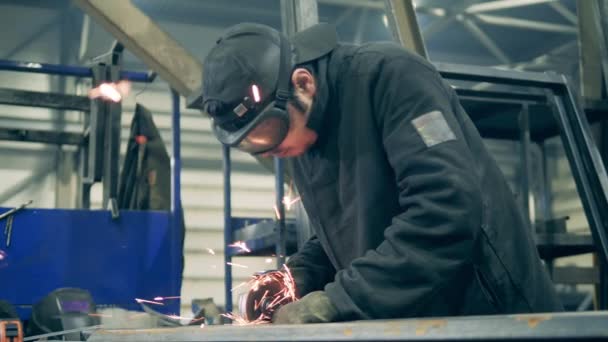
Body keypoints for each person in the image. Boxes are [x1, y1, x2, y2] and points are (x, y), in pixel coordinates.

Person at [201, 22, 563, 324]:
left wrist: (336, 302)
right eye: (252, 144)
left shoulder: (392, 78)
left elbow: (445, 211)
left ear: (303, 84)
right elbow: (348, 234)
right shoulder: (302, 134)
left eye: (270, 132)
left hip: (489, 317)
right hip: (414, 321)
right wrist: (295, 277)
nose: (270, 149)